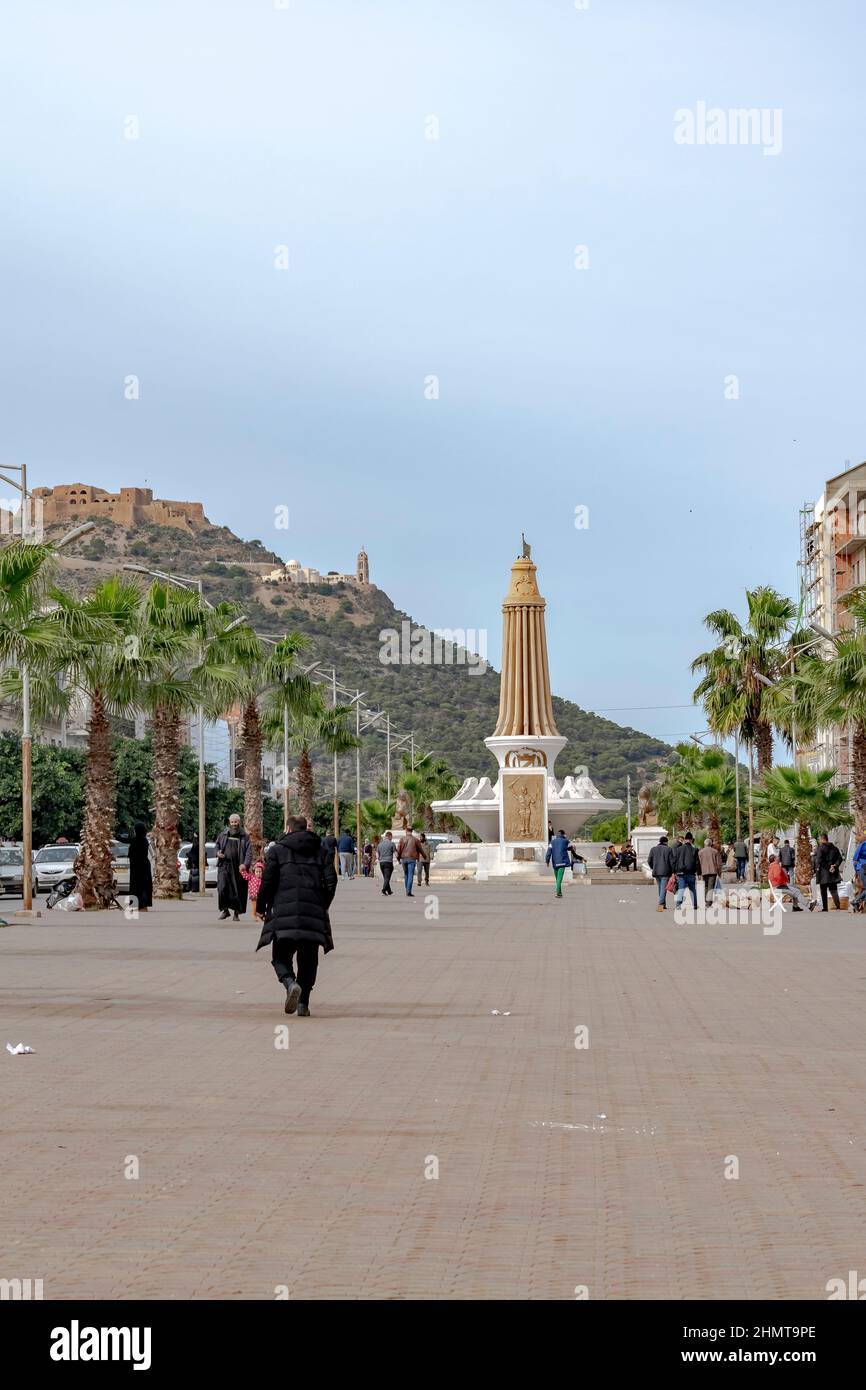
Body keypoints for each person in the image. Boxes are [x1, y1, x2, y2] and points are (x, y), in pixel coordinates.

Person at [256, 815, 337, 1017]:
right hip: (313, 914)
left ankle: (290, 983)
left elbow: (267, 881)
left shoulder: (277, 850)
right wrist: (322, 904)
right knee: (309, 961)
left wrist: (261, 905)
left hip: (284, 913)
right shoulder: (322, 850)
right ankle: (303, 1004)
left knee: (280, 957)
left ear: (288, 829)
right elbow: (331, 882)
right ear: (306, 829)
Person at [215, 814, 252, 921]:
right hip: (224, 866)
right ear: (229, 822)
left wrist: (245, 864)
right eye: (232, 822)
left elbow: (249, 852)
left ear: (239, 822)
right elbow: (217, 845)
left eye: (236, 822)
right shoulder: (223, 834)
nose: (234, 824)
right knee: (222, 888)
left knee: (238, 890)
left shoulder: (245, 836)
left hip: (238, 867)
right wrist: (218, 853)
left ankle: (236, 913)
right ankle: (225, 910)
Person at [127, 823, 153, 913]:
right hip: (140, 866)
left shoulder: (140, 840)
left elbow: (129, 841)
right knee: (137, 886)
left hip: (140, 867)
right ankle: (136, 906)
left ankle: (142, 906)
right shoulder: (142, 840)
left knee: (140, 887)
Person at [814, 833, 843, 911]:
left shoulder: (820, 848)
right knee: (833, 890)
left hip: (823, 873)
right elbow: (840, 858)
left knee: (823, 890)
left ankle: (825, 908)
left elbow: (819, 860)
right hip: (833, 873)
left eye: (819, 839)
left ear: (822, 839)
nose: (819, 841)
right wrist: (834, 866)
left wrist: (828, 867)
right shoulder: (834, 848)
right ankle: (838, 906)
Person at [672, 832, 700, 909]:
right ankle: (694, 905)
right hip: (691, 872)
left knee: (681, 888)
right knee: (693, 889)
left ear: (685, 840)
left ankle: (678, 904)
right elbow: (697, 862)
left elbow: (675, 861)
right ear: (691, 840)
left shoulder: (679, 849)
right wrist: (699, 873)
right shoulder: (694, 850)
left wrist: (674, 872)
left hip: (681, 873)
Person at [647, 835, 675, 911]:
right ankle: (660, 905)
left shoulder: (653, 849)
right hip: (665, 872)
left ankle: (663, 904)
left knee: (660, 888)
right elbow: (672, 862)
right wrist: (673, 871)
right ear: (666, 842)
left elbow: (649, 860)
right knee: (663, 889)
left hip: (656, 872)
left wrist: (653, 867)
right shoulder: (669, 849)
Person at [396, 826, 423, 896]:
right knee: (410, 874)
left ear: (406, 830)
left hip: (404, 859)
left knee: (406, 874)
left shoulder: (402, 839)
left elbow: (399, 850)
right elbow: (420, 849)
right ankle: (408, 891)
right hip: (412, 859)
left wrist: (398, 859)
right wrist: (425, 856)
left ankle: (407, 889)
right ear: (412, 831)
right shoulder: (415, 840)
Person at [545, 828, 571, 898]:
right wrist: (566, 839)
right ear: (563, 834)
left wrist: (547, 861)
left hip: (555, 862)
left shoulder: (552, 842)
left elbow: (548, 852)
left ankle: (559, 893)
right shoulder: (566, 841)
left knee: (557, 879)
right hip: (562, 862)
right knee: (559, 879)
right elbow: (570, 848)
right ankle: (558, 893)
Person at [698, 840, 723, 905]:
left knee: (706, 886)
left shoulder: (700, 852)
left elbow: (699, 863)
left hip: (704, 871)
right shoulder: (715, 851)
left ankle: (707, 900)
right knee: (710, 886)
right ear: (711, 844)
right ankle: (708, 901)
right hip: (713, 871)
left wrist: (699, 873)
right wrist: (719, 873)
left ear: (704, 844)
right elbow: (718, 864)